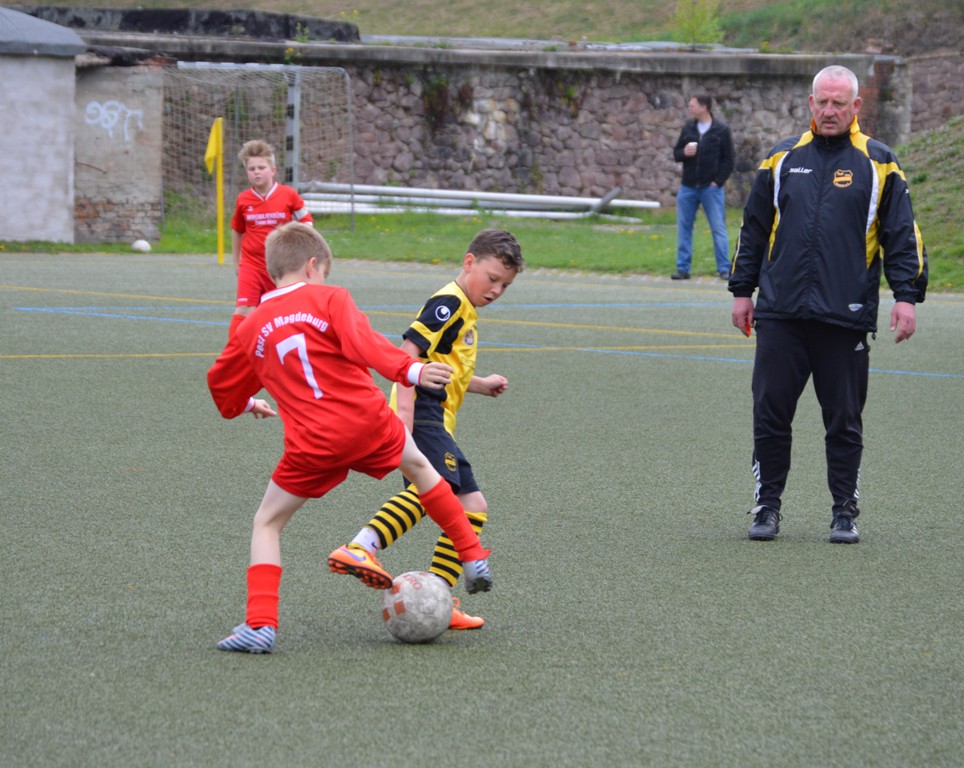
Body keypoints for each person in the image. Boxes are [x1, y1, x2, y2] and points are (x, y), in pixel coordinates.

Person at [207, 222, 493, 653]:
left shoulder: (250, 329)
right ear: (312, 266)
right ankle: (471, 555)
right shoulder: (330, 298)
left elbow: (221, 390)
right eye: (324, 273)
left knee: (267, 523)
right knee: (421, 469)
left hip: (311, 443)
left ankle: (260, 625)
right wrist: (412, 370)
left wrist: (247, 403)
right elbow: (366, 344)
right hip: (367, 422)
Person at [729, 65, 928, 544]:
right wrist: (741, 291)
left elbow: (902, 235)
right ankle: (767, 507)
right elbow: (753, 229)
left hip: (845, 316)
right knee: (770, 416)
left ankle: (844, 512)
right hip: (780, 313)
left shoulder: (879, 162)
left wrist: (906, 296)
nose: (830, 110)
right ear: (810, 103)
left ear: (856, 106)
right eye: (822, 101)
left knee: (843, 422)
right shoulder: (781, 158)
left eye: (839, 103)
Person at [328, 229, 524, 631]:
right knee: (435, 489)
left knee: (472, 505)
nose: (496, 290)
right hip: (421, 412)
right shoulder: (448, 302)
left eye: (505, 285)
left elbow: (443, 365)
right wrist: (404, 414)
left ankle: (440, 596)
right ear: (469, 262)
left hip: (434, 415)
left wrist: (479, 384)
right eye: (492, 278)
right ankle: (361, 546)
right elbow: (409, 354)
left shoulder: (465, 309)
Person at [228, 139, 313, 338]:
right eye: (251, 169)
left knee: (281, 313)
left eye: (261, 167)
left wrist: (298, 247)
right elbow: (237, 231)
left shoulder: (288, 195)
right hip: (251, 265)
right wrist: (236, 262)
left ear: (273, 170)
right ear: (246, 172)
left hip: (280, 266)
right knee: (245, 309)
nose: (256, 172)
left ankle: (276, 352)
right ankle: (233, 353)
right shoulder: (243, 199)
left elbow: (307, 222)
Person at [671, 94, 735, 281]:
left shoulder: (721, 130)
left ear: (704, 107)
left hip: (710, 188)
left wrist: (718, 182)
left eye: (692, 105)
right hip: (688, 187)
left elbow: (729, 159)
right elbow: (676, 153)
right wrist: (684, 152)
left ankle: (724, 268)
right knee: (684, 228)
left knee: (718, 228)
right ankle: (683, 269)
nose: (689, 108)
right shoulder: (688, 128)